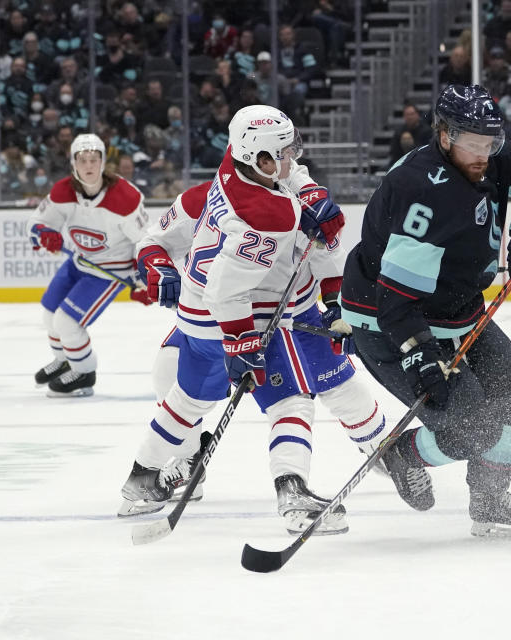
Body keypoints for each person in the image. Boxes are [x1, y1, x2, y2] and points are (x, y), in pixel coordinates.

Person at [340, 84, 511, 536]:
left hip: (455, 308)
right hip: (389, 320)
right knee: (473, 431)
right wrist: (418, 352)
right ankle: (402, 454)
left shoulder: (492, 161)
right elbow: (396, 299)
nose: (483, 154)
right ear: (444, 135)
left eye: (490, 142)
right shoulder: (423, 192)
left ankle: (489, 502)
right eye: (472, 142)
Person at [118, 105, 352, 535]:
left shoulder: (231, 170)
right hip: (232, 317)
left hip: (194, 318)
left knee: (188, 399)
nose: (290, 159)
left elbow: (285, 170)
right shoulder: (268, 216)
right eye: (281, 153)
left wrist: (308, 191)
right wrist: (242, 343)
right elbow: (226, 290)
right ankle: (293, 494)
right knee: (291, 401)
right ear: (259, 158)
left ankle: (141, 477)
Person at [29, 133, 152, 397]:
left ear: (103, 162)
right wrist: (44, 232)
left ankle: (84, 373)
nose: (88, 165)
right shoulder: (63, 191)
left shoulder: (126, 197)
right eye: (82, 159)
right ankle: (65, 361)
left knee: (67, 323)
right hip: (79, 261)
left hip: (110, 272)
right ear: (73, 162)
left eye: (94, 159)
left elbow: (146, 242)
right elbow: (37, 223)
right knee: (49, 315)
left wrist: (144, 277)